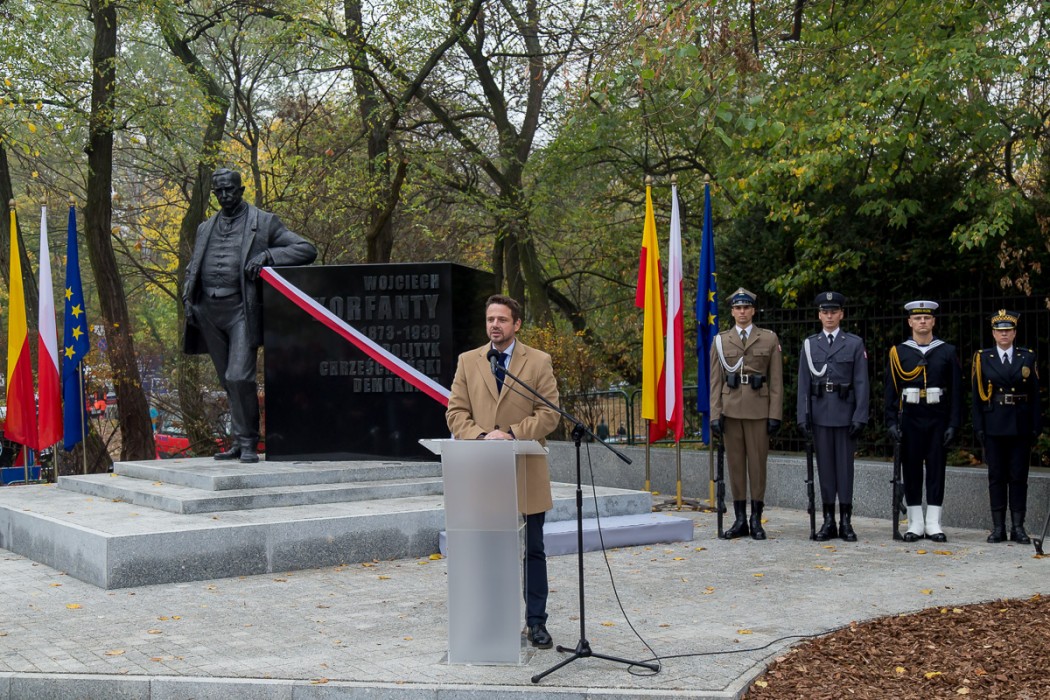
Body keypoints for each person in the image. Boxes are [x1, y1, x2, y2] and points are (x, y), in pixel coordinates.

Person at [445, 294, 561, 649]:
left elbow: (550, 414)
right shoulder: (468, 361)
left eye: (502, 319)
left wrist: (511, 433)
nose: (494, 325)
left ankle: (536, 622)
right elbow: (455, 413)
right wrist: (483, 436)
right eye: (490, 319)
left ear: (517, 324)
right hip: (483, 474)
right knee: (488, 551)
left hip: (526, 471)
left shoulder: (538, 361)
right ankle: (489, 620)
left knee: (533, 551)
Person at [183, 168, 317, 463]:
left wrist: (268, 256)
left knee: (239, 377)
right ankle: (238, 440)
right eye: (219, 191)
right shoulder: (205, 228)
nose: (224, 196)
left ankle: (248, 443)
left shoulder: (264, 222)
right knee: (227, 380)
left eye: (230, 190)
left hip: (241, 310)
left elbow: (306, 249)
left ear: (241, 190)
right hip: (208, 311)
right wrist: (188, 299)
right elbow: (193, 266)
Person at [884, 300, 962, 543]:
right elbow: (890, 390)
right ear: (910, 322)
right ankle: (916, 523)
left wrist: (953, 424)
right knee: (912, 469)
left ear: (934, 321)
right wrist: (891, 422)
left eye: (927, 318)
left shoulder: (947, 351)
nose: (922, 322)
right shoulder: (899, 352)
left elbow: (956, 392)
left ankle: (933, 522)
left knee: (937, 469)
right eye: (917, 318)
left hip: (937, 417)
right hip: (910, 417)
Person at [709, 288, 783, 540]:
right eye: (738, 308)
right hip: (730, 410)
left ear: (753, 311)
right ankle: (740, 519)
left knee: (758, 466)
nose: (742, 312)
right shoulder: (721, 340)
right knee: (736, 465)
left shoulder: (769, 339)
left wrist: (775, 414)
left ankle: (756, 519)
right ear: (732, 312)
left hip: (758, 410)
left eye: (746, 308)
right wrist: (715, 414)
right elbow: (715, 381)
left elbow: (776, 381)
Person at [796, 292, 870, 541]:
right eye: (825, 312)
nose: (829, 316)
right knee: (825, 469)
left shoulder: (854, 343)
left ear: (841, 314)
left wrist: (860, 416)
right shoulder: (810, 344)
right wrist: (802, 416)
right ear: (819, 315)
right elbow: (803, 384)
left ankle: (846, 521)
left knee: (845, 470)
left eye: (833, 312)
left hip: (845, 414)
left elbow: (861, 382)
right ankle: (828, 520)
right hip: (819, 414)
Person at [971, 310, 1040, 544]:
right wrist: (979, 426)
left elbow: (1035, 394)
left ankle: (1018, 527)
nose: (1004, 334)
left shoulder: (1027, 357)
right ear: (993, 333)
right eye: (999, 331)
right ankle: (998, 527)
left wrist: (1036, 425)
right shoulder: (983, 357)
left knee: (1019, 476)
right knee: (997, 476)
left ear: (1014, 333)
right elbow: (977, 396)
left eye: (1008, 331)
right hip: (994, 424)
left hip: (1020, 424)